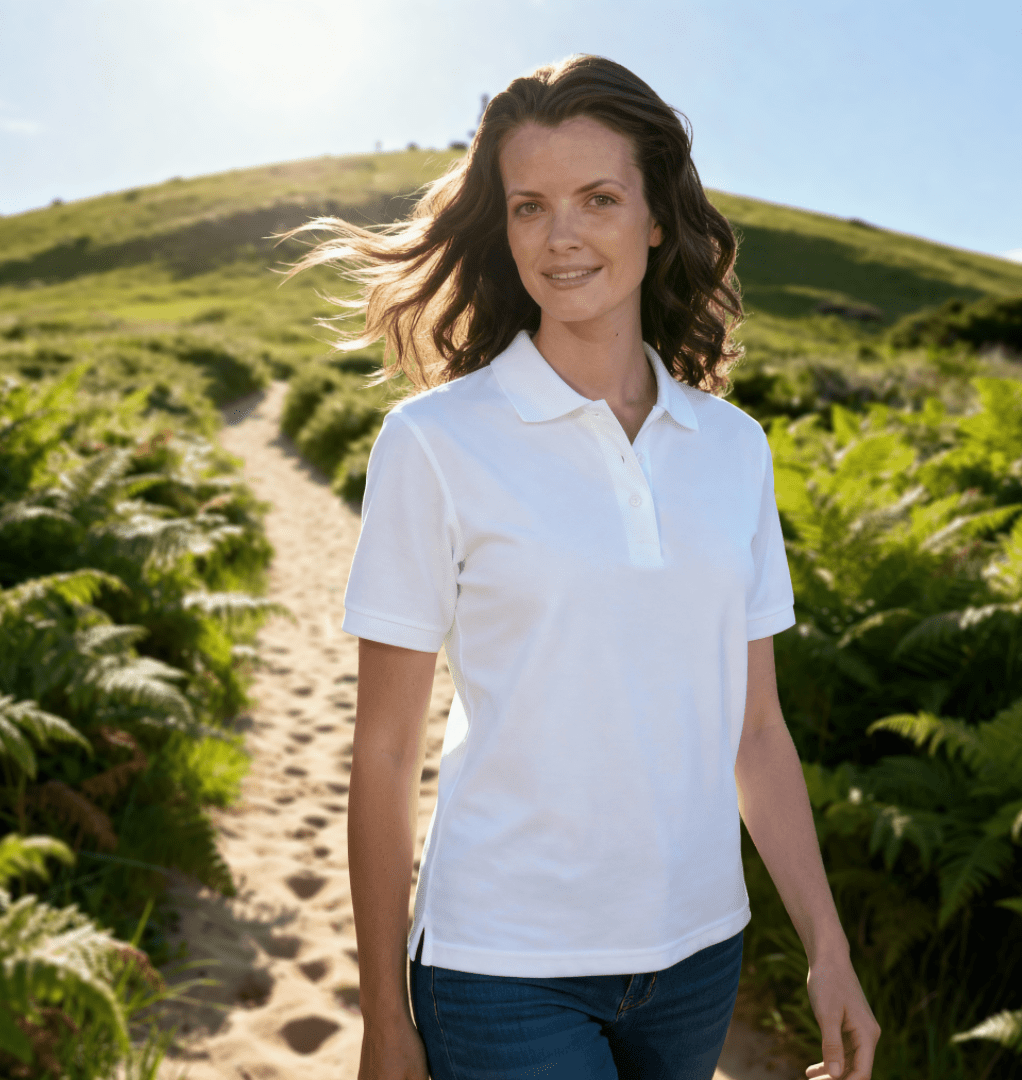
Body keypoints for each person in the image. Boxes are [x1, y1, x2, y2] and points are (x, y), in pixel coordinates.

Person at [286, 53, 880, 1080]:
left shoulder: (733, 448)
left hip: (700, 953)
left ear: (657, 218)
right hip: (502, 966)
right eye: (530, 206)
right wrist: (385, 1021)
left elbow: (756, 729)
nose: (562, 237)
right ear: (504, 226)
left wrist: (827, 946)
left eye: (598, 198)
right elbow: (383, 756)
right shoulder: (434, 443)